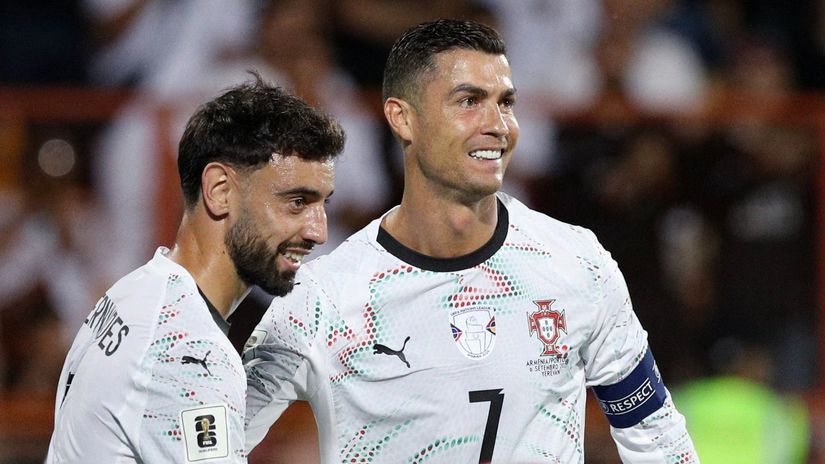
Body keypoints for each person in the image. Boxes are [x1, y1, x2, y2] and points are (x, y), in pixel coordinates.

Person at [244, 20, 698, 463]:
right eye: (469, 101)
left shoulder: (577, 264)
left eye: (506, 103)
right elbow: (216, 439)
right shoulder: (324, 297)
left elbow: (656, 436)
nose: (498, 124)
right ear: (403, 118)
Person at [46, 75, 345, 463]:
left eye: (323, 204)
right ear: (220, 191)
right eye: (297, 202)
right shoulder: (190, 353)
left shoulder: (133, 292)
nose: (318, 232)